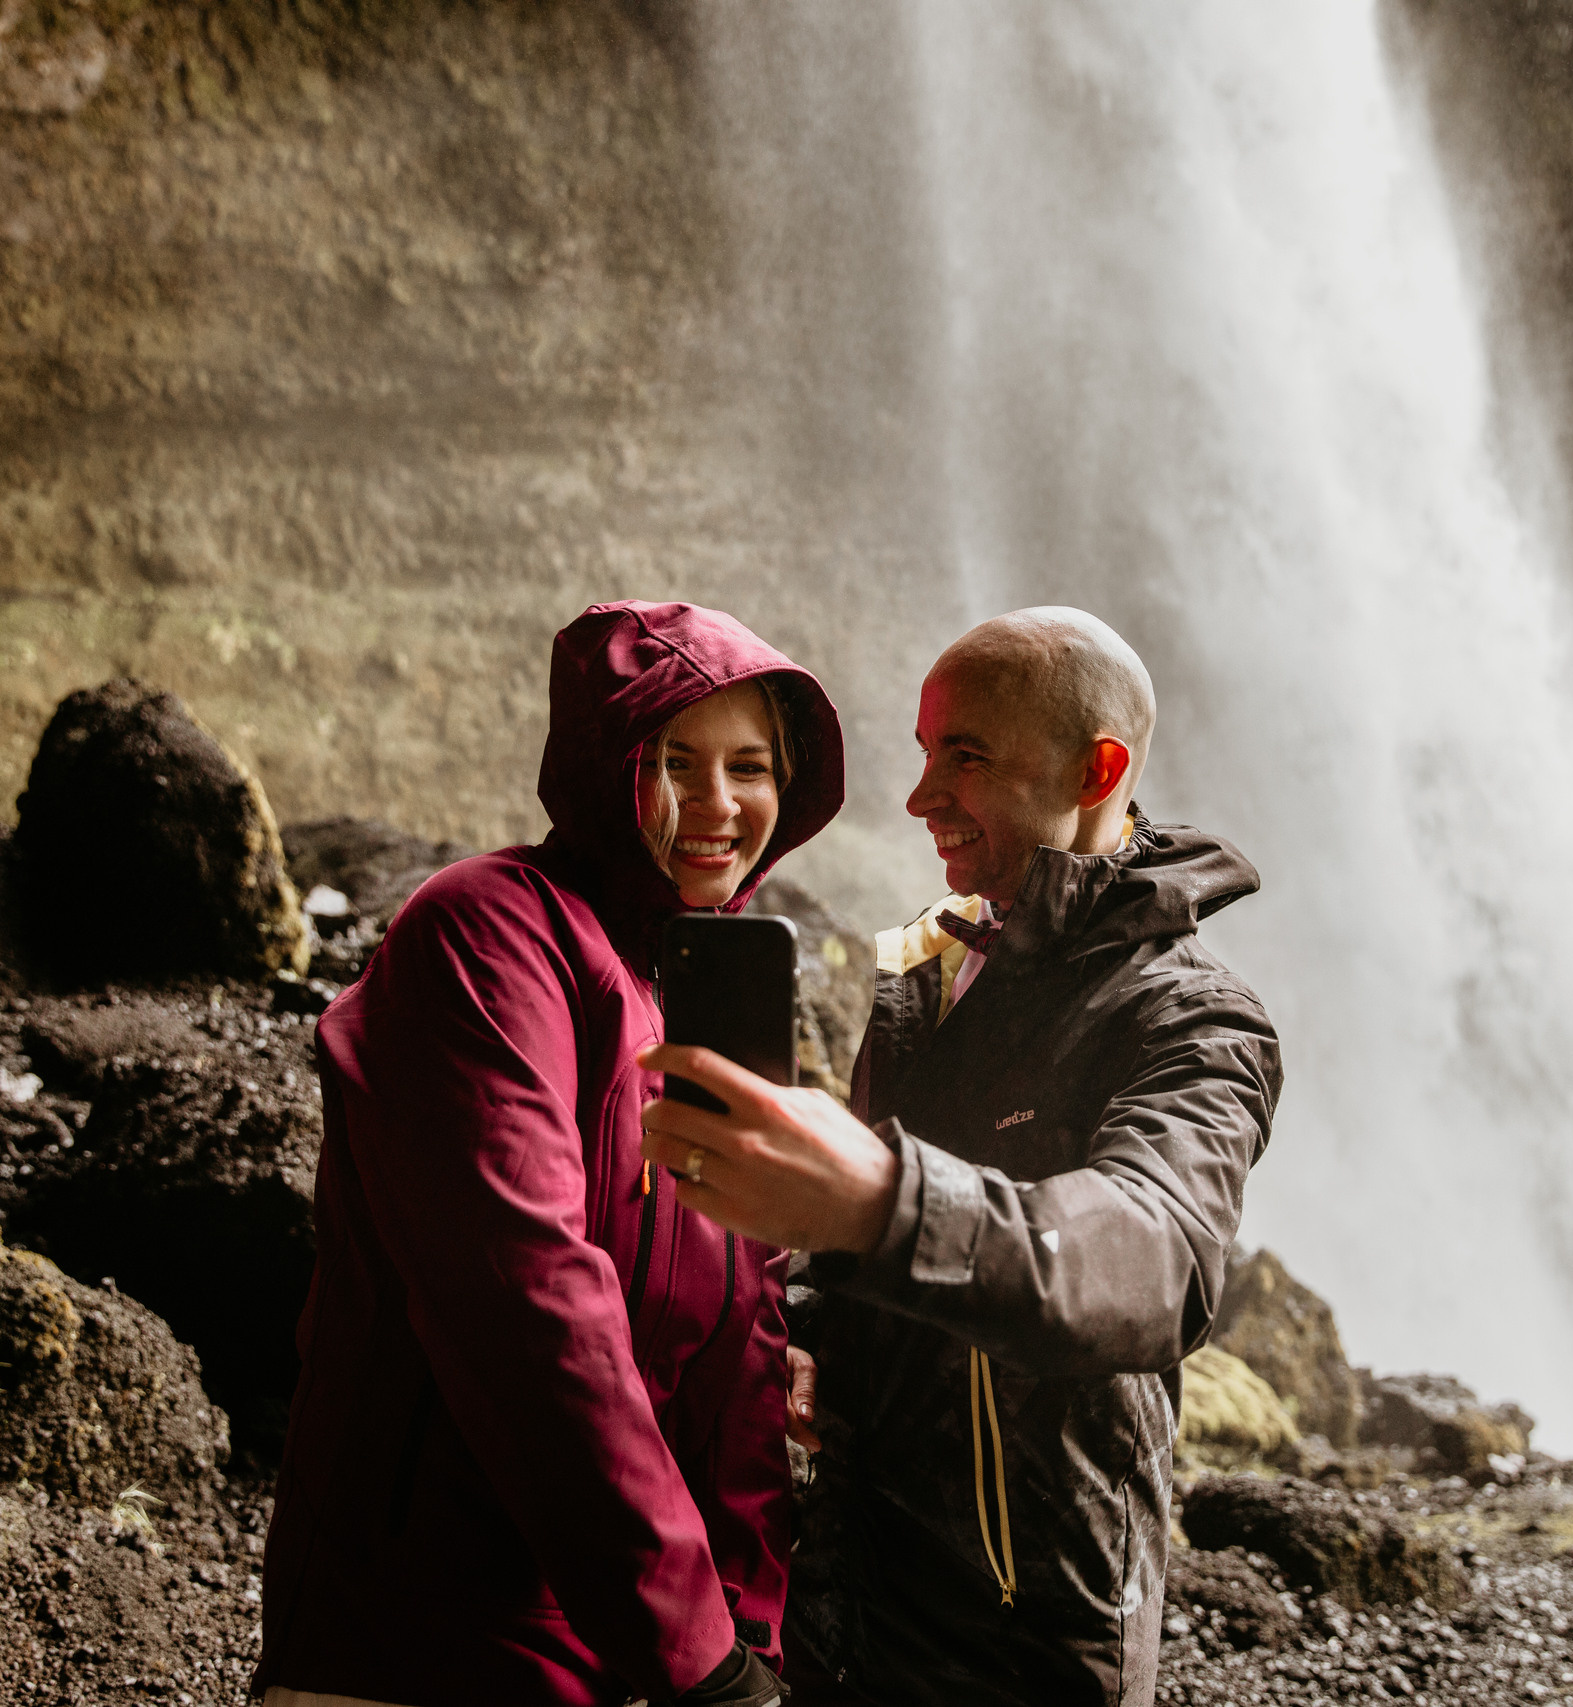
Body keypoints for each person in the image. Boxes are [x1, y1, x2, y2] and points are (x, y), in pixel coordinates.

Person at [639, 607, 1281, 1707]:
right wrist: (804, 1331)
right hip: (848, 1595)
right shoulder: (931, 975)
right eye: (926, 751)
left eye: (964, 757)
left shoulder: (1195, 1018)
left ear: (1098, 769)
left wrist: (878, 1200)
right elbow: (860, 1264)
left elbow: (1154, 1257)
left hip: (1029, 1641)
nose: (920, 796)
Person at [255, 600, 844, 1707]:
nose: (719, 806)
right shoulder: (484, 936)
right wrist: (702, 1662)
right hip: (430, 1638)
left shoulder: (702, 987)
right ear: (602, 766)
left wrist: (743, 1631)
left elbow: (739, 1340)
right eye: (674, 761)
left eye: (753, 767)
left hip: (633, 1642)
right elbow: (529, 1307)